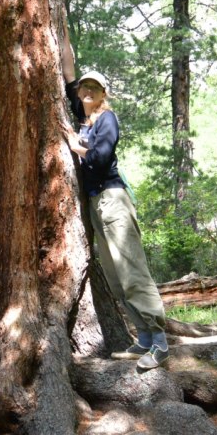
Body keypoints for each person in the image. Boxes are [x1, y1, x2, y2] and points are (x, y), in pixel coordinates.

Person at [60, 26, 169, 370]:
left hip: (114, 199)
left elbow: (101, 156)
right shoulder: (84, 116)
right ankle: (144, 339)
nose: (86, 91)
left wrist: (75, 145)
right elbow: (67, 74)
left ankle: (160, 343)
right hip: (96, 204)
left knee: (132, 269)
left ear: (103, 94)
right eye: (84, 88)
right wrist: (64, 36)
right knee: (114, 274)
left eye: (93, 88)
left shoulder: (107, 119)